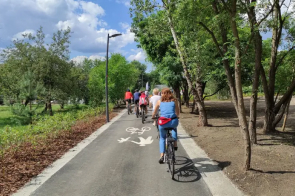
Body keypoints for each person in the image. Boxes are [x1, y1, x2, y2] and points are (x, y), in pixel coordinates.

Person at [151, 88, 180, 164]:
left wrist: (153, 116)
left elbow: (154, 112)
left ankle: (162, 156)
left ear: (162, 94)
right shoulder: (174, 101)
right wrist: (176, 115)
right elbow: (177, 112)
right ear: (170, 93)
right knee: (174, 127)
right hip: (173, 121)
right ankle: (175, 143)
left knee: (162, 138)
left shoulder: (159, 102)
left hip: (163, 122)